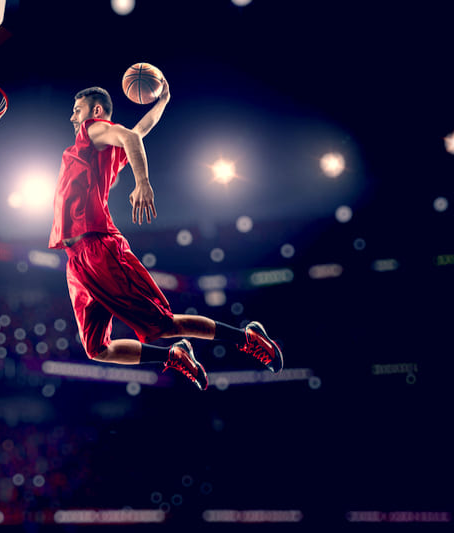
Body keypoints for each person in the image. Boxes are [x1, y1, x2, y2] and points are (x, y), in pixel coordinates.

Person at [48, 80, 283, 390]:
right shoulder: (99, 149)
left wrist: (142, 181)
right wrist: (162, 103)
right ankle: (174, 355)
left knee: (163, 324)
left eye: (77, 110)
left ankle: (248, 337)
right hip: (77, 260)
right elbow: (139, 131)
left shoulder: (93, 130)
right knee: (97, 349)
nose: (72, 117)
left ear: (96, 110)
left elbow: (131, 135)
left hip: (97, 249)